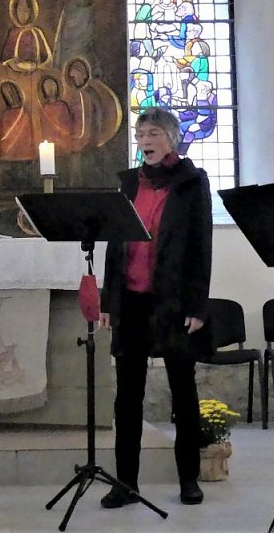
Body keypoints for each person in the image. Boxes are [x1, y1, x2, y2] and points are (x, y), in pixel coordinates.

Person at [99, 107, 213, 508]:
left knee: (183, 392)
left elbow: (201, 245)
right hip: (131, 300)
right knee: (127, 396)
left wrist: (198, 305)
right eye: (140, 133)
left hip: (174, 301)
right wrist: (108, 301)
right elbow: (115, 246)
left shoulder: (191, 182)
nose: (144, 140)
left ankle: (189, 480)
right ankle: (126, 483)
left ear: (171, 138)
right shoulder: (130, 183)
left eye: (152, 133)